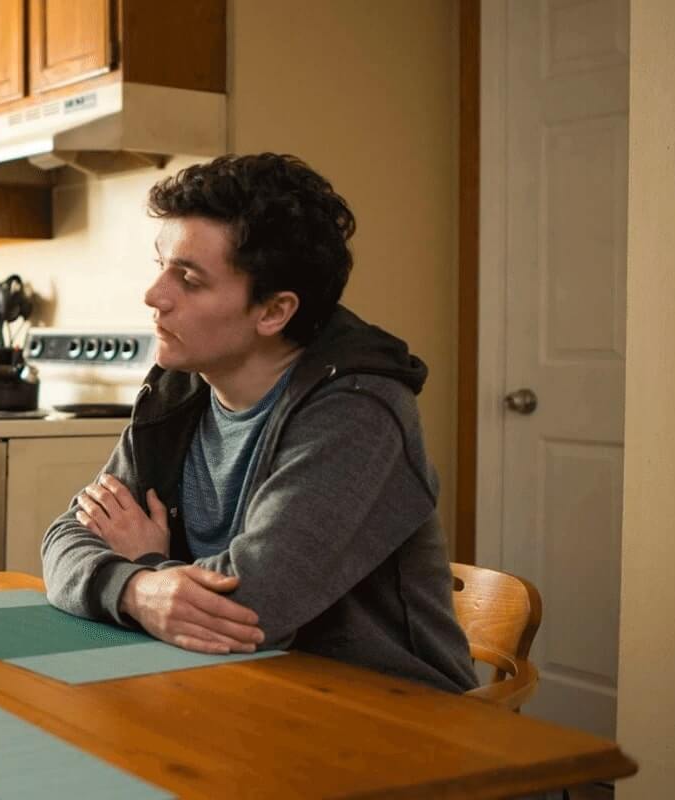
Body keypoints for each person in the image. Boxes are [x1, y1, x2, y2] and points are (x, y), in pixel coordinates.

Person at [41, 154, 478, 693]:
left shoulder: (359, 412)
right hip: (228, 691)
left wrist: (148, 560)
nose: (154, 296)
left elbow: (250, 611)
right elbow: (63, 540)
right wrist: (139, 588)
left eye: (190, 279)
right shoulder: (180, 388)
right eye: (161, 266)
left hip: (388, 713)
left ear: (273, 312)